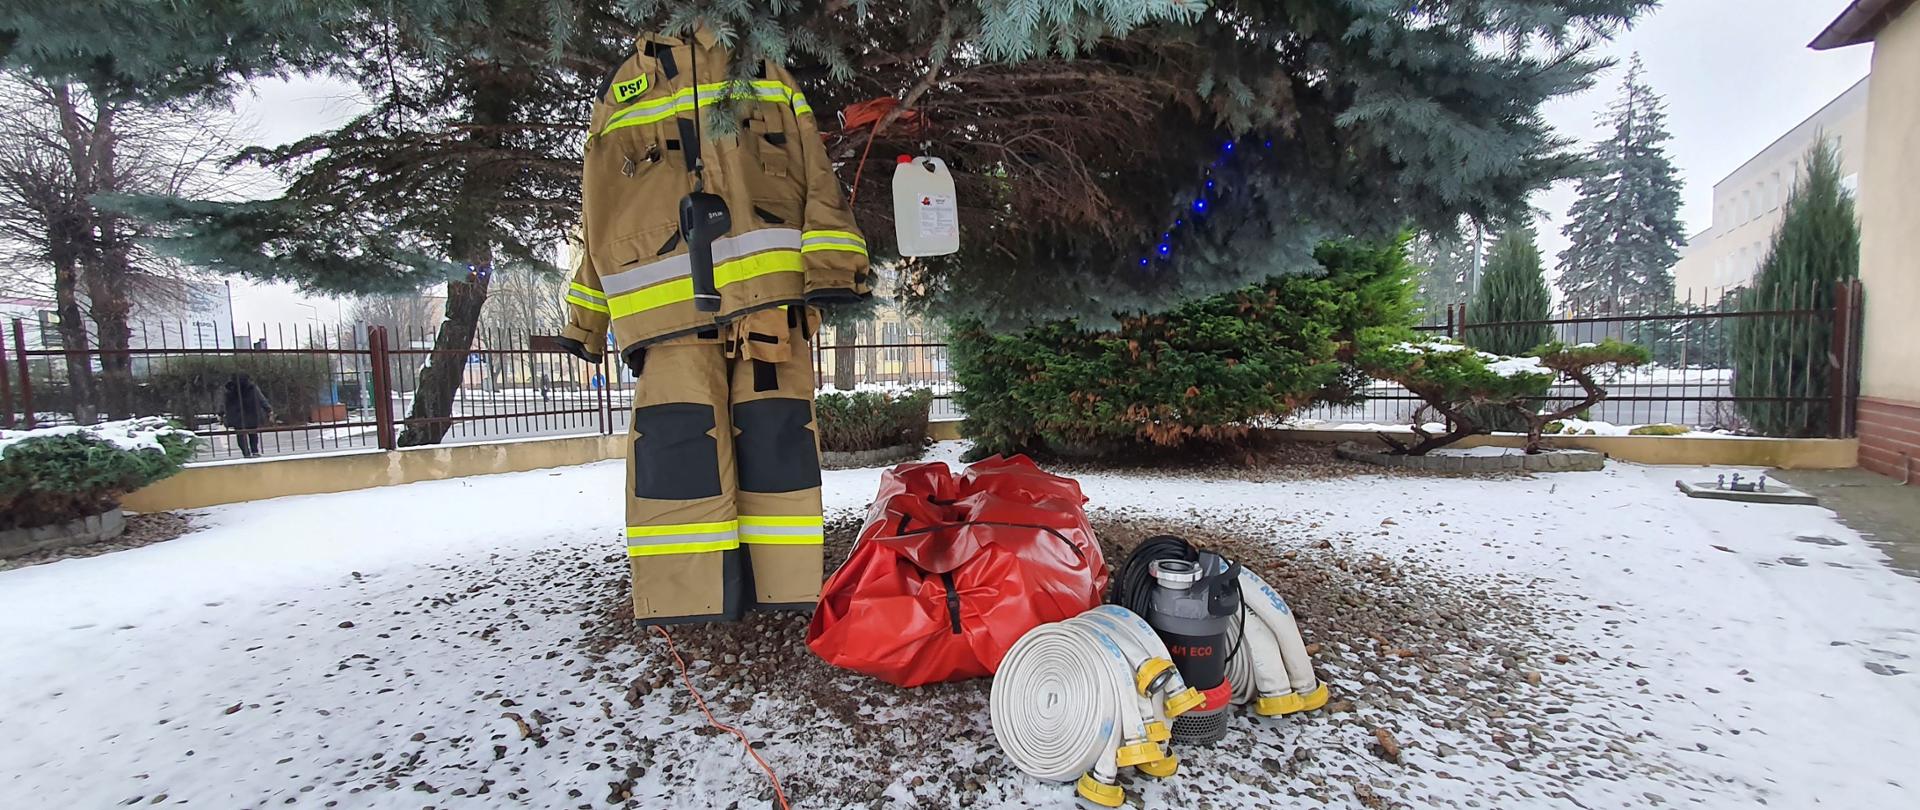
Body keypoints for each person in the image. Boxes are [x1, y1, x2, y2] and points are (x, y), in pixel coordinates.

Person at [221, 373, 273, 458]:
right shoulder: (252, 388)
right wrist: (268, 409)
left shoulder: (230, 388)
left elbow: (224, 402)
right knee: (253, 433)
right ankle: (254, 451)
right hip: (251, 412)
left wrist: (221, 413)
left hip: (236, 415)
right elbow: (261, 399)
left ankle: (246, 453)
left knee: (240, 435)